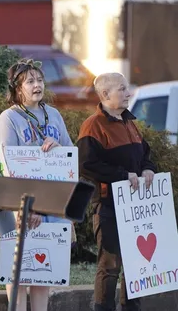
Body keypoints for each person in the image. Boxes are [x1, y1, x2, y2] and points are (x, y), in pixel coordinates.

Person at [0, 59, 74, 311]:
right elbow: (3, 165)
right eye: (30, 81)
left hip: (51, 207)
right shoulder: (9, 118)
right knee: (19, 273)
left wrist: (59, 149)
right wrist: (23, 208)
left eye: (40, 80)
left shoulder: (54, 115)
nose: (37, 85)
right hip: (21, 209)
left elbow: (70, 157)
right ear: (17, 88)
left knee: (43, 273)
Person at [78, 72, 156, 311]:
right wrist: (122, 176)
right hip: (108, 204)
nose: (128, 93)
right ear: (105, 94)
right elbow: (86, 165)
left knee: (136, 263)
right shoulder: (93, 125)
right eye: (122, 89)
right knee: (110, 264)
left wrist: (148, 169)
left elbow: (145, 155)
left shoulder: (129, 122)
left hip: (135, 207)